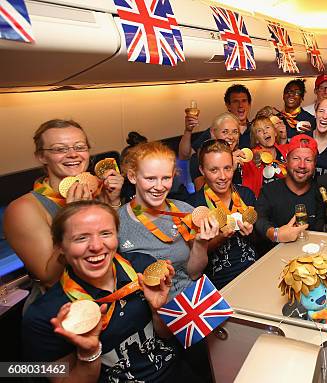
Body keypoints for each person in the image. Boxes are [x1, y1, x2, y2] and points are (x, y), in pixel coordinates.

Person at [22, 201, 213, 382]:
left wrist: (158, 310)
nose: (96, 246)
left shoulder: (143, 267)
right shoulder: (44, 316)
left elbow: (165, 336)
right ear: (60, 247)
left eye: (106, 233)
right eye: (81, 238)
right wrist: (89, 354)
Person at [4, 119, 123, 298]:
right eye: (60, 149)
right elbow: (49, 278)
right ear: (41, 156)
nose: (73, 154)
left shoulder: (98, 190)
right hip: (64, 306)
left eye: (80, 147)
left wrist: (113, 202)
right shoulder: (23, 209)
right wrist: (73, 215)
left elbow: (118, 248)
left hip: (113, 291)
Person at [119, 141, 216, 299]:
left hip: (188, 304)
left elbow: (193, 273)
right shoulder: (117, 223)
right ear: (132, 176)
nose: (159, 186)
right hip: (144, 311)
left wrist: (201, 243)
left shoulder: (185, 212)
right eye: (150, 179)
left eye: (166, 178)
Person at [187, 139, 259, 289]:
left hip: (254, 272)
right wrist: (220, 238)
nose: (223, 176)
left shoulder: (246, 195)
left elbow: (261, 241)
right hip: (220, 285)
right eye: (214, 170)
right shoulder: (194, 206)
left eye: (227, 168)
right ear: (202, 170)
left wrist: (251, 233)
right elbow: (192, 258)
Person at [255, 134, 325, 248]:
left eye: (308, 160)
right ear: (287, 161)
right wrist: (275, 234)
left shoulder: (321, 193)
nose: (302, 165)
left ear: (315, 164)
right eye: (296, 158)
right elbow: (259, 219)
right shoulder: (270, 190)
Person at [180, 84, 253, 162]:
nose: (240, 105)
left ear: (249, 104)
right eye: (235, 101)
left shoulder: (256, 129)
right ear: (228, 105)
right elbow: (185, 156)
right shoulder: (216, 130)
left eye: (244, 101)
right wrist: (188, 131)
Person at [241, 116, 288, 197]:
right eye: (259, 130)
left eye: (267, 127)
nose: (265, 131)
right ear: (256, 139)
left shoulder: (286, 151)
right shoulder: (252, 157)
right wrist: (255, 159)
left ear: (275, 133)